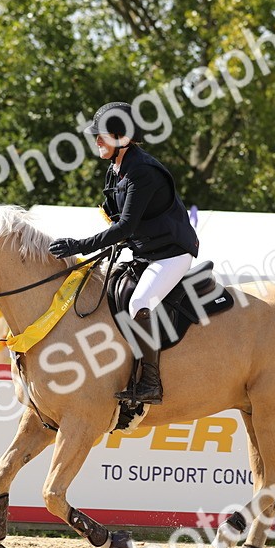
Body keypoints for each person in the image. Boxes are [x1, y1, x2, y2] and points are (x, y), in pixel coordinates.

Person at [48, 101, 200, 405]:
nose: (97, 141)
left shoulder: (141, 171)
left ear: (122, 138)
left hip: (171, 253)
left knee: (140, 302)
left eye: (102, 135)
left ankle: (151, 383)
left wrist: (79, 247)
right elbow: (116, 220)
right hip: (145, 252)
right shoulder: (116, 169)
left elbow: (126, 226)